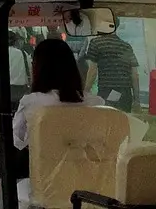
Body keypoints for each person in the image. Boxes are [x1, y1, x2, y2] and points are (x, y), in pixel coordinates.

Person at [13, 38, 105, 206]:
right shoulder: (97, 103)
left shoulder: (32, 102)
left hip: (47, 192)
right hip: (91, 193)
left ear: (38, 68)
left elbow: (18, 142)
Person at [83, 19, 140, 111]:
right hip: (125, 94)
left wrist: (85, 92)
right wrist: (137, 100)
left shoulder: (96, 43)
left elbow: (92, 71)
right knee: (122, 123)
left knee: (106, 122)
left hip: (107, 91)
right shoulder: (126, 46)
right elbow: (134, 75)